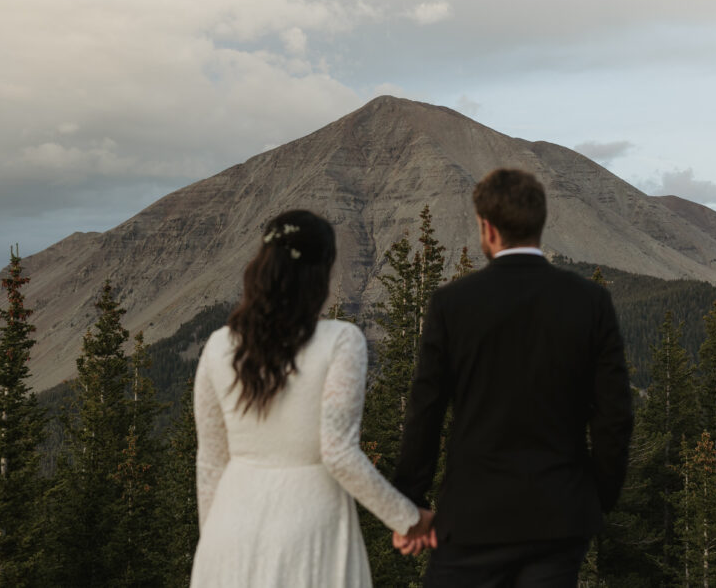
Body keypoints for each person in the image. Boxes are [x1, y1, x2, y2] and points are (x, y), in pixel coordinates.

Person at [391, 168, 634, 587]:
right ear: (539, 226)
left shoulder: (452, 305)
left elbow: (424, 415)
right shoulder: (591, 302)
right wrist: (597, 496)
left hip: (471, 517)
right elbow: (614, 416)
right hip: (559, 517)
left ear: (487, 229)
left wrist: (407, 509)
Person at [190, 210, 433, 587]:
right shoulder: (341, 341)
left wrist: (214, 546)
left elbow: (210, 464)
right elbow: (338, 453)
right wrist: (408, 519)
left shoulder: (218, 347)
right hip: (310, 527)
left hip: (229, 528)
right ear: (320, 273)